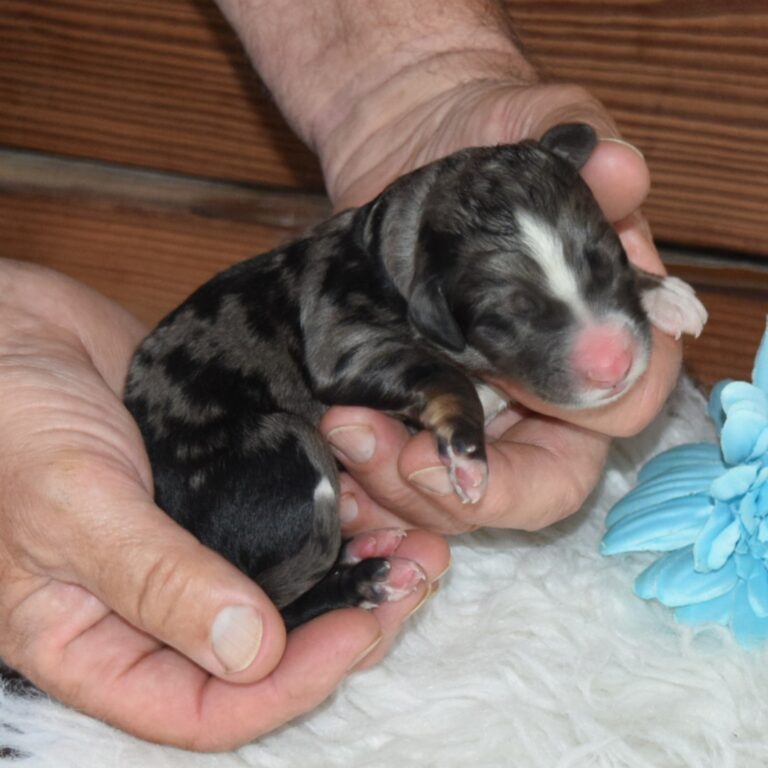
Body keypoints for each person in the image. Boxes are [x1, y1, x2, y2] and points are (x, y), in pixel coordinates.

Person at [0, 0, 681, 751]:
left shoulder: (425, 260)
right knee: (300, 500)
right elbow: (341, 360)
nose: (604, 352)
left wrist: (420, 82)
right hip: (225, 444)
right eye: (511, 312)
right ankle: (298, 597)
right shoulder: (355, 297)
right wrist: (450, 403)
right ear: (432, 303)